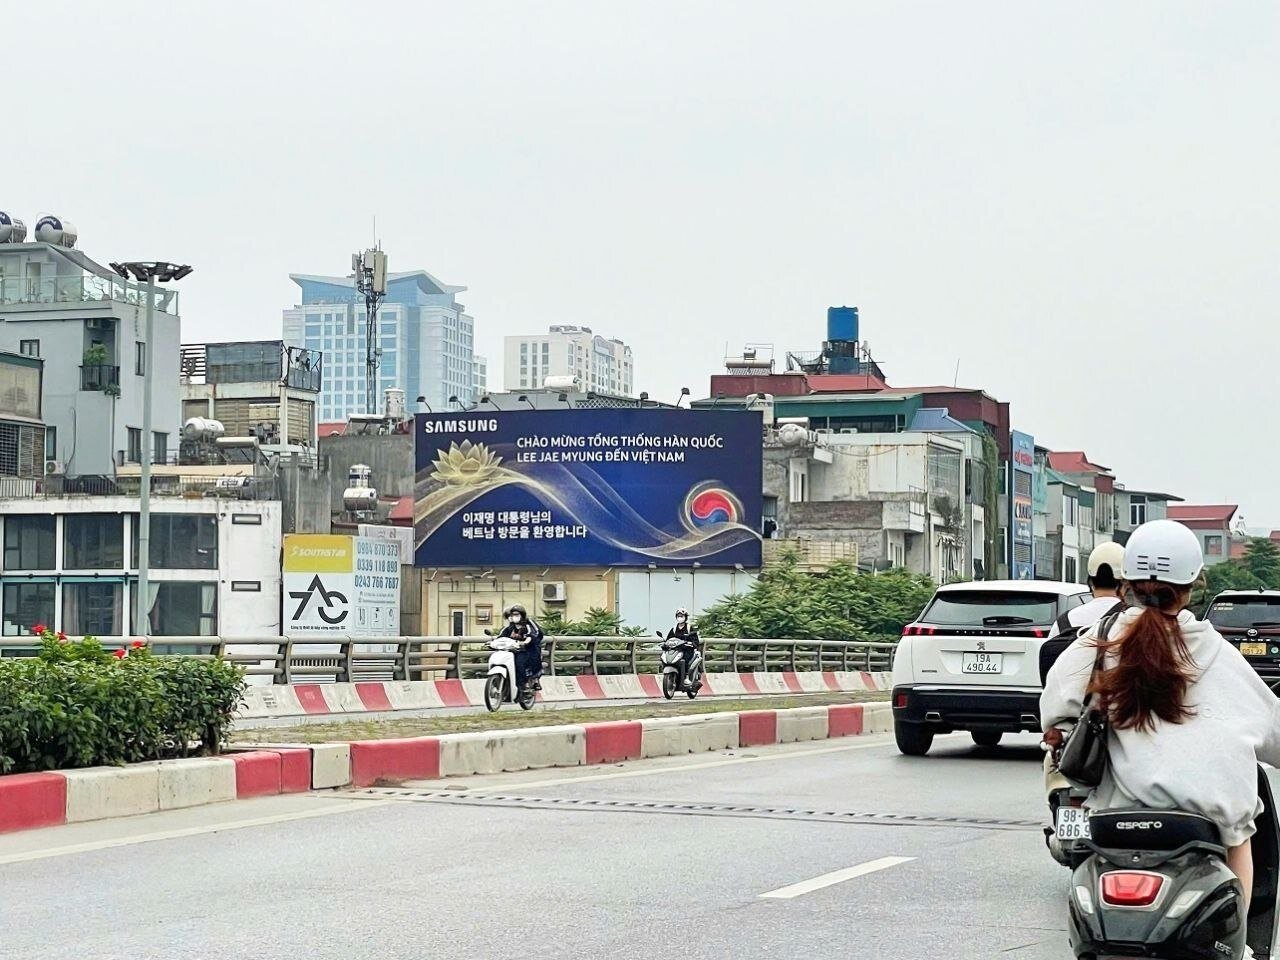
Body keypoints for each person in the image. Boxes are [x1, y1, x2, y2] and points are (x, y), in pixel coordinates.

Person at [1042, 519, 1280, 913]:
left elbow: (1054, 709)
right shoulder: (1216, 652)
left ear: (1127, 583)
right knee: (1239, 834)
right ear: (1194, 585)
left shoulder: (1099, 641)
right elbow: (1274, 735)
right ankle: (1237, 940)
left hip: (1114, 819)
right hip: (1201, 823)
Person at [1039, 541, 1128, 685]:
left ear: (1091, 583)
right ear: (1125, 583)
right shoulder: (1133, 621)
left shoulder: (1064, 622)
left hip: (1072, 697)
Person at [500, 604, 543, 692]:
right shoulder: (511, 627)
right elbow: (503, 635)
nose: (511, 618)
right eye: (509, 616)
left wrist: (527, 640)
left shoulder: (528, 623)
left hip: (530, 647)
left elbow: (535, 633)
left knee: (528, 658)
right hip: (516, 648)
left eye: (514, 615)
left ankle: (532, 680)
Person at [665, 608, 701, 687]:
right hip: (677, 650)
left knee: (684, 660)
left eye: (681, 616)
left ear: (685, 617)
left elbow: (695, 640)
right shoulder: (674, 628)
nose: (680, 618)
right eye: (678, 616)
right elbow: (669, 639)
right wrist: (665, 644)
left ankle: (686, 676)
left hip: (687, 650)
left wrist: (692, 643)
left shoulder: (689, 628)